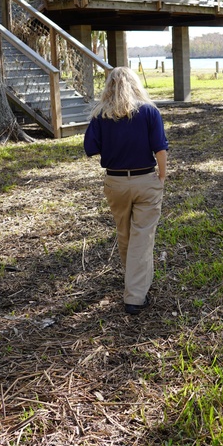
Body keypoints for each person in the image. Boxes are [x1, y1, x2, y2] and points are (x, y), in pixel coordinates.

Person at [84, 67, 168, 315]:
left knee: (125, 232)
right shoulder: (150, 111)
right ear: (135, 84)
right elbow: (160, 149)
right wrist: (161, 176)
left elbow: (90, 148)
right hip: (145, 179)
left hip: (115, 181)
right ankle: (134, 296)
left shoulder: (101, 115)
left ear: (109, 86)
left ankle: (133, 280)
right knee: (142, 237)